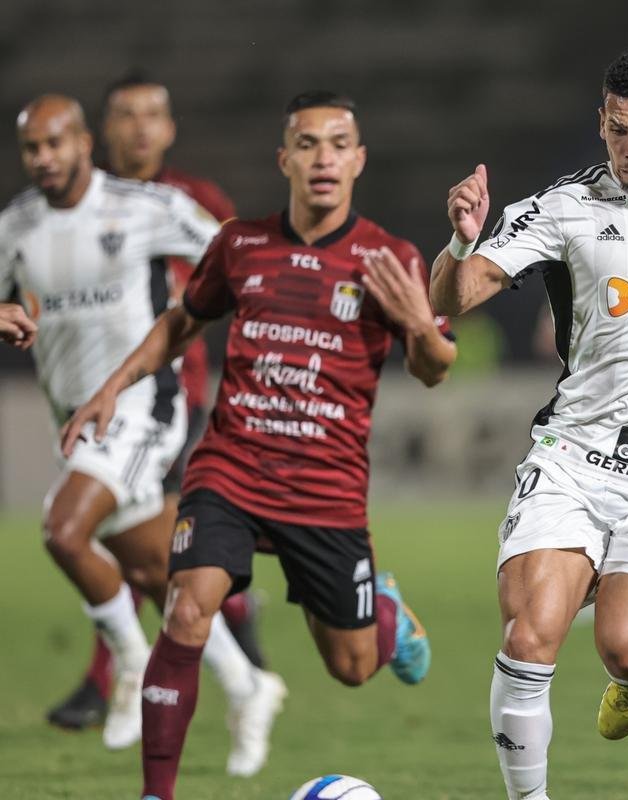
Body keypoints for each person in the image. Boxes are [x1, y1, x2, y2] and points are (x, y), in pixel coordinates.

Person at [63, 89, 454, 800]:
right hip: (232, 467)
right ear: (286, 160)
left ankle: (385, 614)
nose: (323, 158)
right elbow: (182, 321)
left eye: (338, 144)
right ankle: (155, 794)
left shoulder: (390, 258)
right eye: (308, 144)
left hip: (326, 489)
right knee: (187, 609)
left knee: (351, 666)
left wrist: (421, 326)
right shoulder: (240, 243)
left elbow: (434, 370)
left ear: (358, 160)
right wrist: (114, 385)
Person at [430, 48, 628, 800]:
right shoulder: (564, 206)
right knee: (529, 633)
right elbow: (451, 299)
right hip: (575, 452)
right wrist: (460, 241)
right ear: (600, 124)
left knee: (627, 649)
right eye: (618, 131)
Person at [0, 95, 283, 771]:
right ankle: (248, 684)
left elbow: (235, 253)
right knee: (157, 571)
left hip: (143, 404)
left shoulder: (143, 207)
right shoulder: (16, 225)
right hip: (73, 418)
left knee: (63, 529)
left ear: (83, 143)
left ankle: (130, 659)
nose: (43, 158)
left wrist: (254, 322)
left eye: (54, 143)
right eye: (31, 148)